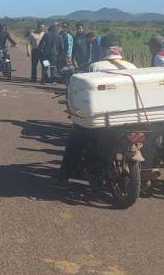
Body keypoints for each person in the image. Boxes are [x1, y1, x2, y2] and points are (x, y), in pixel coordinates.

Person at [59, 36, 138, 187]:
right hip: (129, 117)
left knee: (76, 140)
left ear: (102, 49)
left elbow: (81, 90)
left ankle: (65, 174)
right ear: (120, 49)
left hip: (102, 118)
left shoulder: (94, 67)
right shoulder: (132, 66)